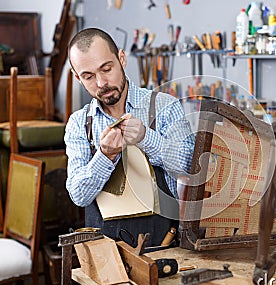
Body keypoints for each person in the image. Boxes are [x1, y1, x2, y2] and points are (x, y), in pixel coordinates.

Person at [65, 27, 195, 246]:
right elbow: (79, 195)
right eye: (88, 76)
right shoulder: (79, 124)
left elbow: (190, 165)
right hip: (106, 252)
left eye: (106, 69)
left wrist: (146, 138)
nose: (101, 83)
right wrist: (104, 156)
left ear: (122, 59)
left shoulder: (164, 106)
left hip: (163, 243)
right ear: (78, 78)